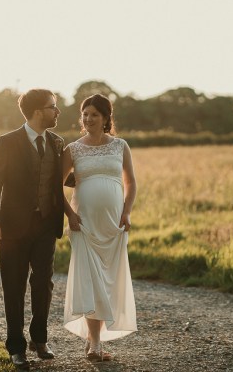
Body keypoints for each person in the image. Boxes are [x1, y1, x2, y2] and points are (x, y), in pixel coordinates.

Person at [0, 89, 65, 371]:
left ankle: (39, 340)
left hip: (46, 224)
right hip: (12, 226)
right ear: (37, 111)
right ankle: (16, 348)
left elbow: (64, 179)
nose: (57, 112)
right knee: (14, 286)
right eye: (53, 107)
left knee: (44, 282)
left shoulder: (57, 142)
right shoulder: (6, 142)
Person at [62, 93, 138, 362]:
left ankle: (93, 339)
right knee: (91, 281)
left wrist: (127, 212)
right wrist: (70, 214)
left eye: (94, 114)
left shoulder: (120, 146)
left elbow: (130, 183)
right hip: (84, 224)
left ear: (106, 118)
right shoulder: (72, 149)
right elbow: (54, 186)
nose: (88, 118)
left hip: (114, 225)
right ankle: (95, 344)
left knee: (108, 281)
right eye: (85, 114)